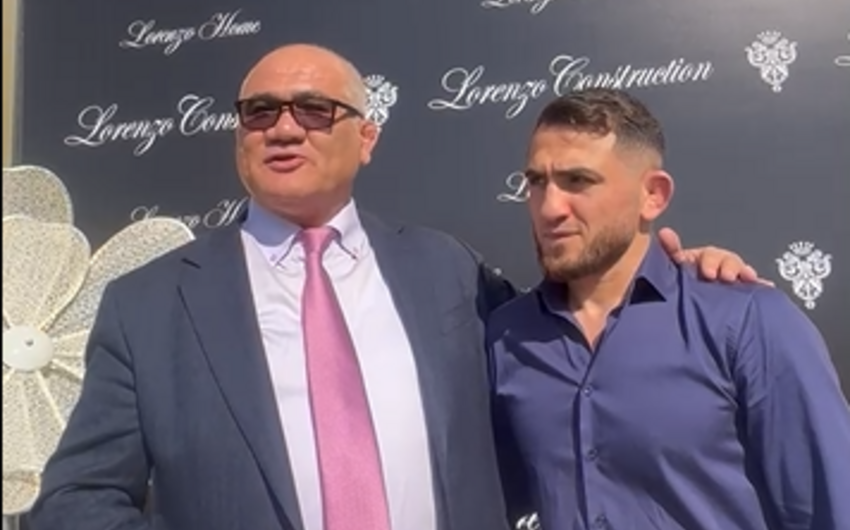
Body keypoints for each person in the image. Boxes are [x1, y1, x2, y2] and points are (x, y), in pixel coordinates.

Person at [28, 45, 764, 530]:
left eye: (315, 110)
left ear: (367, 138)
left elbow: (572, 352)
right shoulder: (148, 306)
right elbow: (77, 499)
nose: (284, 128)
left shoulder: (449, 272)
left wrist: (669, 270)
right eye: (260, 112)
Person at [487, 87, 850, 530]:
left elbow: (830, 506)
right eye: (536, 182)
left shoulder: (745, 321)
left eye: (578, 181)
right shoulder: (505, 338)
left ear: (653, 195)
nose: (549, 208)